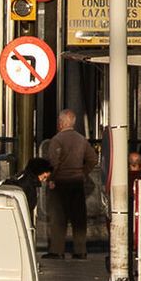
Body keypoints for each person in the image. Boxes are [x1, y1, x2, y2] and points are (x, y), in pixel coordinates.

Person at [42, 108, 100, 259]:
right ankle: (80, 250)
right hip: (77, 182)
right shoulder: (82, 139)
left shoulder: (57, 140)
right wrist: (83, 172)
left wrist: (51, 179)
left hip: (60, 183)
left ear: (61, 123)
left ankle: (57, 250)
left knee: (58, 218)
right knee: (78, 219)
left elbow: (54, 163)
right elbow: (93, 159)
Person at [5, 156, 53, 226]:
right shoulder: (28, 185)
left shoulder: (23, 177)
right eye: (44, 177)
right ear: (39, 172)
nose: (44, 180)